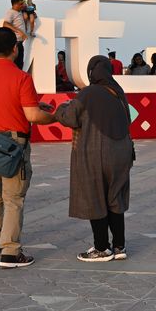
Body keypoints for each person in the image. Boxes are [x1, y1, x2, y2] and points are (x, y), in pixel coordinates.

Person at [44, 55, 135, 262]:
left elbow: (70, 118)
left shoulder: (88, 93)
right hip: (122, 152)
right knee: (115, 197)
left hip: (96, 151)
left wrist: (62, 108)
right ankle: (119, 246)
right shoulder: (118, 91)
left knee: (95, 196)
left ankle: (102, 248)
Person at [0, 27, 51, 269]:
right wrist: (55, 116)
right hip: (14, 145)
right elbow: (33, 115)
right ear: (15, 49)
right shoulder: (22, 77)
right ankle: (10, 252)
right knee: (14, 198)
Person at [2, 0, 30, 69]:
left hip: (19, 42)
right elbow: (5, 24)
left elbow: (30, 7)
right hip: (15, 43)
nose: (22, 5)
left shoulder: (19, 11)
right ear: (15, 4)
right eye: (21, 4)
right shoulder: (11, 12)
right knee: (15, 65)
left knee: (19, 65)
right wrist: (19, 31)